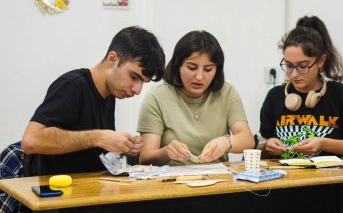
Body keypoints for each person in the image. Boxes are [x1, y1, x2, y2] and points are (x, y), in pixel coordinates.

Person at [21, 26, 165, 176]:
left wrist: (122, 146)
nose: (137, 90)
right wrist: (99, 137)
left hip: (89, 191)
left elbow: (90, 155)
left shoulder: (109, 95)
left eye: (143, 82)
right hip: (58, 193)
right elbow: (31, 141)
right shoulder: (73, 85)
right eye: (134, 77)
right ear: (112, 59)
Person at [258, 15, 343, 159]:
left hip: (331, 179)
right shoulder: (275, 96)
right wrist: (267, 145)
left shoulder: (342, 95)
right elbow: (260, 148)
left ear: (321, 60)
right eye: (289, 66)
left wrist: (323, 144)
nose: (294, 74)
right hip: (286, 179)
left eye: (303, 66)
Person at [137, 30, 254, 166]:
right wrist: (166, 152)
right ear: (178, 65)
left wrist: (227, 142)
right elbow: (145, 158)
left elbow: (247, 139)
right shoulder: (157, 97)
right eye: (192, 68)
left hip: (219, 181)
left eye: (208, 69)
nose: (199, 77)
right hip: (172, 182)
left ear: (217, 70)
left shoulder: (227, 93)